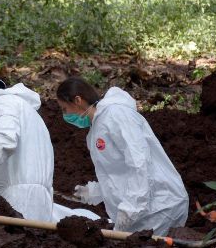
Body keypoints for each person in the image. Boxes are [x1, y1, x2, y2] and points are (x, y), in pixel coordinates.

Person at [56, 76, 189, 236]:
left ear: (77, 100)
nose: (65, 115)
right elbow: (118, 174)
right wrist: (95, 192)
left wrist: (131, 209)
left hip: (161, 207)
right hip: (143, 212)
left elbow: (139, 163)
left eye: (64, 109)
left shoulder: (117, 114)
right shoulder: (95, 131)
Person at [0, 78, 55, 222]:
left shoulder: (0, 104)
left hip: (18, 203)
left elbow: (4, 141)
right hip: (36, 203)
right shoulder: (26, 113)